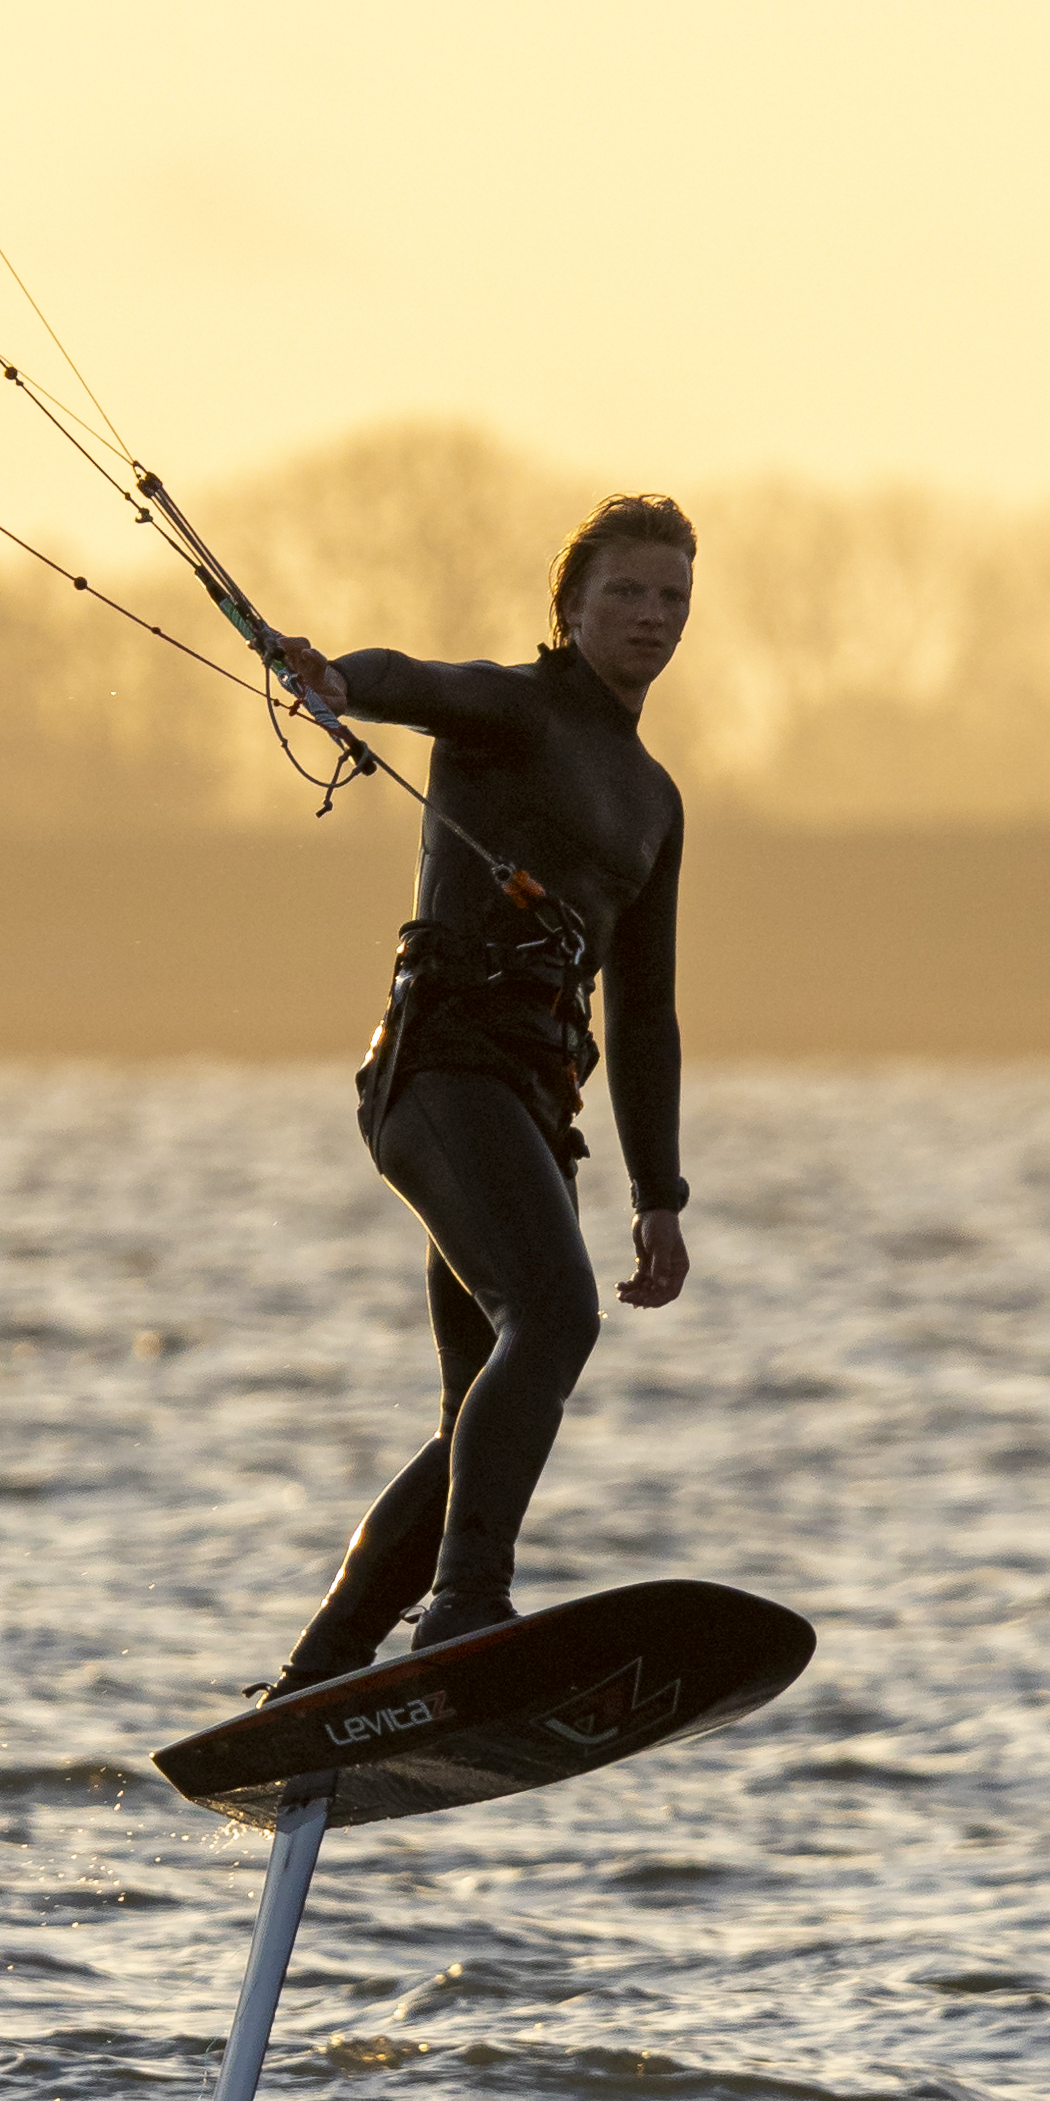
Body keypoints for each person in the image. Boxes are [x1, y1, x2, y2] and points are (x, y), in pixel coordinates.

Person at [261, 492, 697, 1686]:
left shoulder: (653, 800)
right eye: (626, 592)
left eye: (671, 596)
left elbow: (645, 1011)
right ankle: (464, 1604)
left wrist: (658, 1192)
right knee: (554, 1319)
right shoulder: (517, 709)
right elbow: (417, 676)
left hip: (528, 1106)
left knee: (480, 1413)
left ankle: (322, 1671)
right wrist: (337, 677)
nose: (651, 616)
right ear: (568, 607)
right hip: (437, 1077)